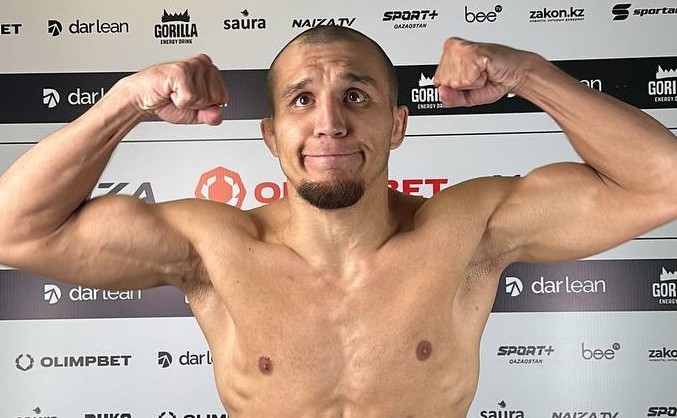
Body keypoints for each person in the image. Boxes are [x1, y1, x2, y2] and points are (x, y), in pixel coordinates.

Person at [0, 25, 676, 417]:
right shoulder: (213, 248)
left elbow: (663, 182)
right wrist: (127, 100)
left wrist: (527, 74)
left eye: (356, 95)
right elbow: (15, 229)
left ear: (397, 124)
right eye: (302, 100)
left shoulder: (469, 230)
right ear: (271, 135)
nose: (329, 123)